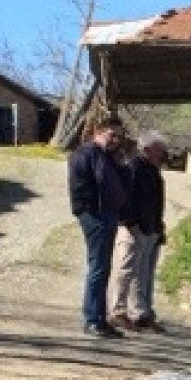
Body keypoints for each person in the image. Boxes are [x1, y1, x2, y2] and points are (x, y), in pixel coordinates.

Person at [68, 115, 129, 338]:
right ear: (98, 131)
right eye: (112, 135)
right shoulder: (85, 155)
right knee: (97, 268)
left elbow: (122, 187)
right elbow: (81, 187)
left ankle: (100, 319)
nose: (116, 140)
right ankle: (92, 320)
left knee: (103, 269)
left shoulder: (109, 158)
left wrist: (122, 167)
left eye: (119, 137)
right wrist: (86, 211)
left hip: (109, 215)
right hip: (95, 216)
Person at [109, 130, 169, 332]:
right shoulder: (133, 167)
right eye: (160, 149)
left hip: (149, 228)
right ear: (148, 149)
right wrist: (130, 222)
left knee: (143, 274)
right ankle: (118, 310)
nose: (163, 153)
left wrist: (158, 228)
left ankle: (140, 313)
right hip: (133, 228)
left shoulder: (152, 170)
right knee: (126, 270)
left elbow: (155, 201)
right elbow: (123, 198)